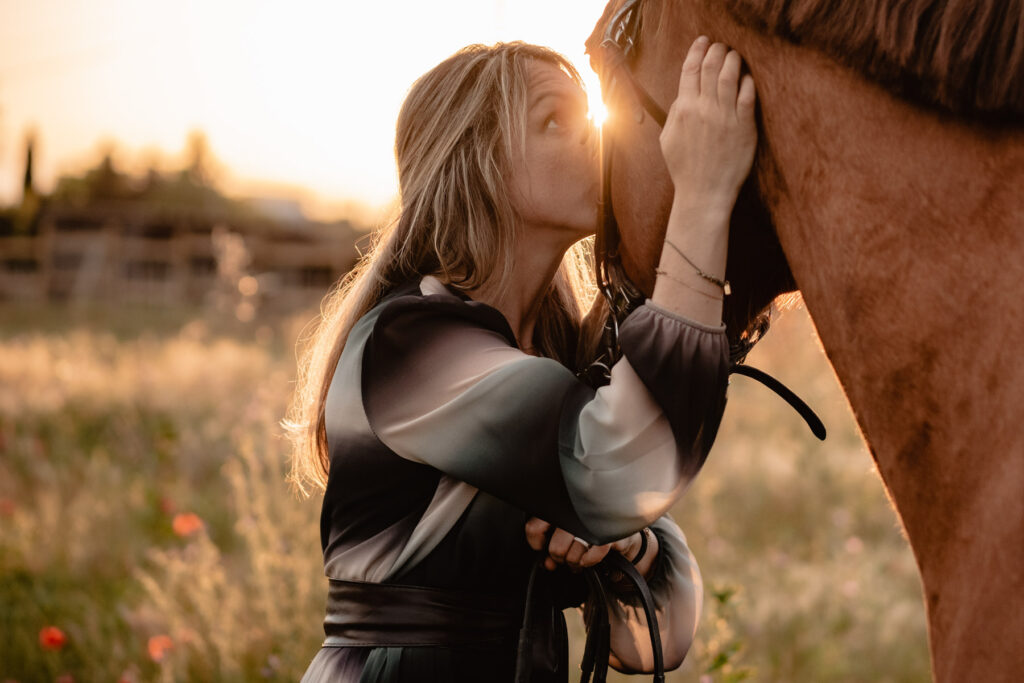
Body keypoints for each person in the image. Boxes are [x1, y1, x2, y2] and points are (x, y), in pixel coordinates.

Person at [288, 36, 756, 683]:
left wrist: (633, 544)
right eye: (553, 120)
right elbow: (624, 465)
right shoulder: (410, 344)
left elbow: (657, 640)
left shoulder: (549, 362)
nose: (595, 135)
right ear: (479, 164)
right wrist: (702, 195)